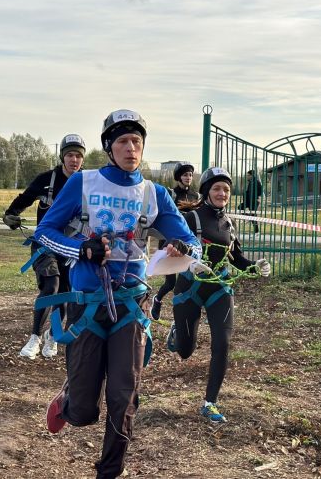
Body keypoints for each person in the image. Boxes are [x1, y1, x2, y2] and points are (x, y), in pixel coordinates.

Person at [33, 109, 202, 479]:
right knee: (84, 411)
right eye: (123, 142)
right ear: (109, 147)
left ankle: (109, 471)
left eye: (137, 142)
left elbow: (192, 242)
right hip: (87, 304)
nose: (132, 149)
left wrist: (183, 248)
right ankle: (68, 403)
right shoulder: (83, 183)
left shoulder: (153, 193)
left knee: (124, 396)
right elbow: (43, 232)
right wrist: (81, 249)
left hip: (131, 304)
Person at [167, 166, 271, 424]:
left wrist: (256, 266)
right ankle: (178, 334)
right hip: (189, 288)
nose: (222, 193)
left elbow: (236, 258)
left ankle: (209, 402)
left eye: (226, 189)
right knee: (185, 352)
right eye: (217, 188)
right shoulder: (191, 218)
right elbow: (171, 248)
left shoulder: (229, 224)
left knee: (222, 344)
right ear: (205, 192)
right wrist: (189, 260)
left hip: (220, 288)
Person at [3, 134, 86, 359]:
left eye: (79, 156)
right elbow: (25, 198)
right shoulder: (47, 180)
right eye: (70, 154)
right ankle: (35, 337)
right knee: (51, 285)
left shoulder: (88, 184)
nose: (74, 160)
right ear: (62, 157)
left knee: (67, 291)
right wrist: (11, 215)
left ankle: (53, 336)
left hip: (71, 246)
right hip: (44, 244)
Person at [150, 161, 198, 321]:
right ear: (178, 177)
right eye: (185, 175)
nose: (188, 177)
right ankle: (157, 300)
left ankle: (182, 318)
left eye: (190, 175)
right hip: (168, 243)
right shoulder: (170, 194)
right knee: (170, 283)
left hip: (187, 245)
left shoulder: (196, 196)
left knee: (186, 281)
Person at [238, 169, 263, 233]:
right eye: (247, 175)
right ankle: (248, 216)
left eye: (249, 175)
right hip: (248, 201)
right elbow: (248, 192)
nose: (247, 176)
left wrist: (258, 198)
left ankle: (256, 231)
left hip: (254, 201)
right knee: (240, 207)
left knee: (253, 215)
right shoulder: (250, 182)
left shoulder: (257, 182)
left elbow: (260, 191)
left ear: (252, 175)